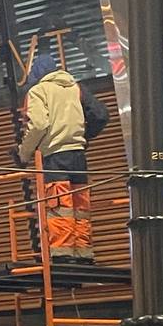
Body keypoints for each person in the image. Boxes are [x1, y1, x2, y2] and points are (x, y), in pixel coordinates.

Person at [17, 54, 109, 264]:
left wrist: (24, 153)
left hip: (55, 157)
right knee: (79, 207)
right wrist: (84, 136)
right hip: (78, 156)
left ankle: (62, 254)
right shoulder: (75, 88)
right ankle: (84, 254)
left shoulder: (38, 91)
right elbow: (101, 115)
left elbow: (38, 125)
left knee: (59, 205)